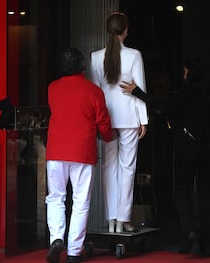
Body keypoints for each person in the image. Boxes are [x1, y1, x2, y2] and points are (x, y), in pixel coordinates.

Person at [45, 48, 113, 263]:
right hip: (82, 151)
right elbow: (103, 122)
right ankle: (74, 250)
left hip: (56, 151)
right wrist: (110, 137)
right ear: (82, 66)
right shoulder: (93, 91)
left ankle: (56, 239)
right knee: (80, 201)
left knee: (55, 197)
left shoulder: (52, 88)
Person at [90, 12, 148, 233]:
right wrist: (144, 119)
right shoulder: (134, 55)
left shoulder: (96, 57)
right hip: (129, 117)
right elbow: (139, 90)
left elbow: (95, 93)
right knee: (127, 167)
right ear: (126, 30)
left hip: (106, 118)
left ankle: (111, 220)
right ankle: (123, 219)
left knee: (108, 166)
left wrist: (97, 120)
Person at [169, 56, 210, 256]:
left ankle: (189, 230)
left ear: (191, 72)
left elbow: (171, 108)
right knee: (206, 195)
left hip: (191, 150)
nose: (183, 75)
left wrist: (139, 93)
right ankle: (207, 247)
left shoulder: (188, 90)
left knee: (182, 189)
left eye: (185, 71)